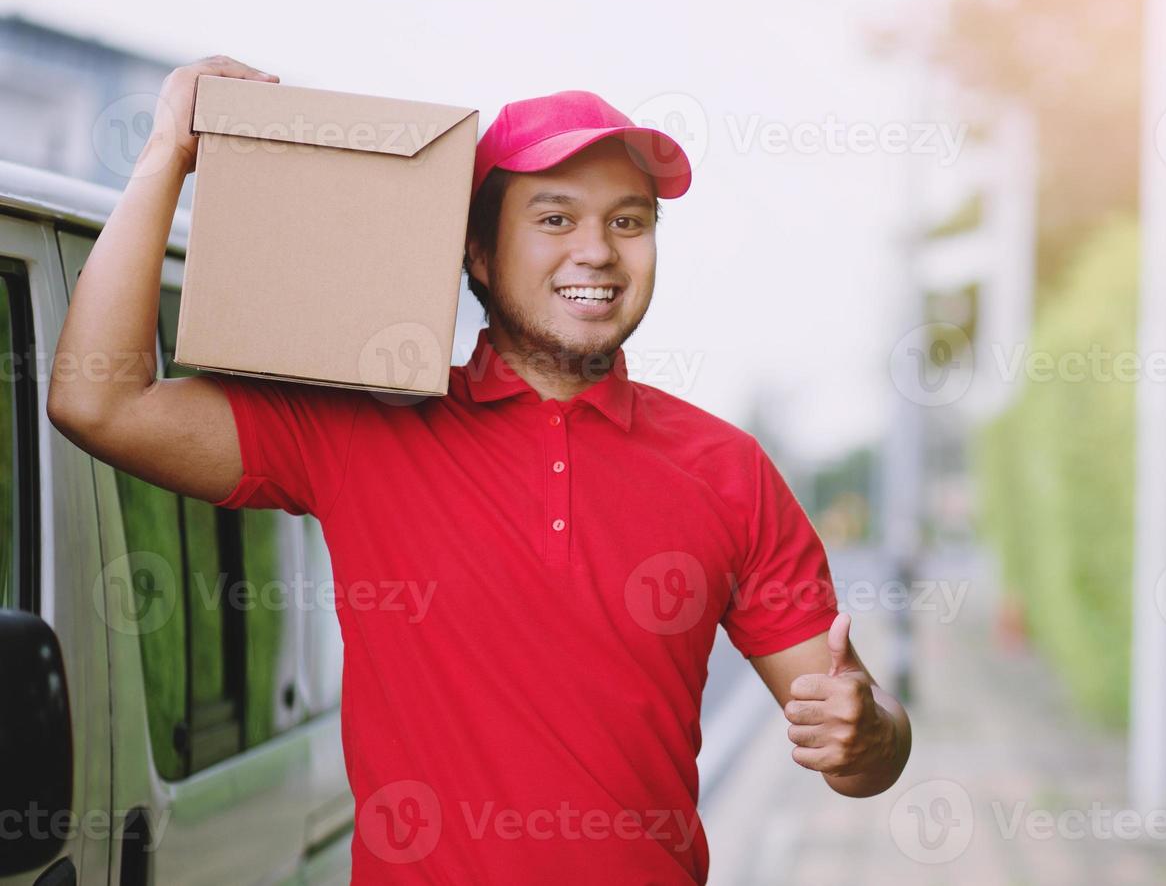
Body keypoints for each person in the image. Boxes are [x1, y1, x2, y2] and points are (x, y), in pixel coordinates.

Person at [48, 55, 912, 884]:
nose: (599, 251)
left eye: (629, 220)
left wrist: (866, 730)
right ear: (479, 253)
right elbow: (102, 403)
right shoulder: (366, 430)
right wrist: (167, 154)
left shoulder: (728, 469)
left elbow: (863, 748)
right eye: (554, 218)